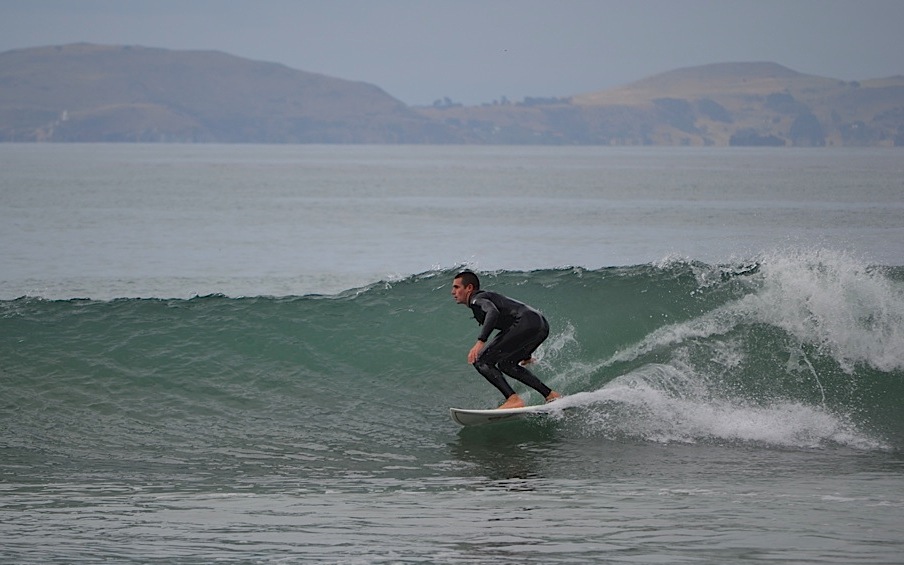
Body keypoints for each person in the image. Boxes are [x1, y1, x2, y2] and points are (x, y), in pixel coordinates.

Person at [451, 270, 562, 409]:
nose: (452, 292)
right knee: (507, 364)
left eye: (456, 287)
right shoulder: (484, 298)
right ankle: (550, 395)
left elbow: (493, 312)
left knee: (480, 360)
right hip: (540, 324)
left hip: (525, 322)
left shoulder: (476, 299)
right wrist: (525, 354)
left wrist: (481, 341)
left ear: (469, 288)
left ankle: (513, 399)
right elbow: (511, 329)